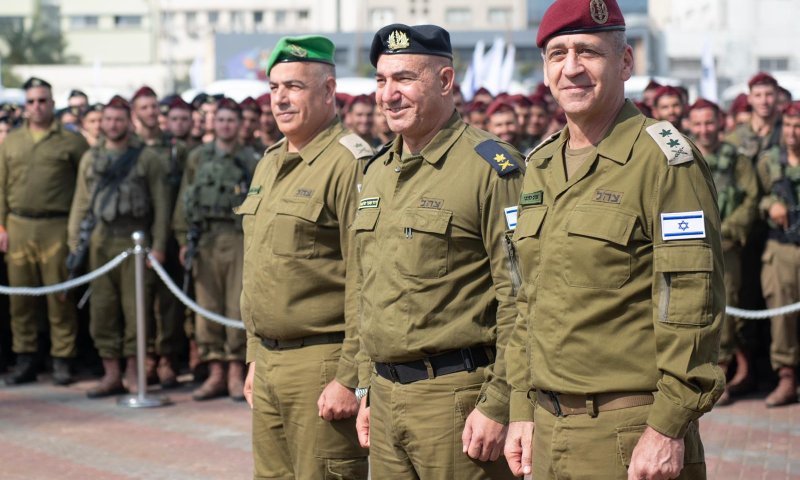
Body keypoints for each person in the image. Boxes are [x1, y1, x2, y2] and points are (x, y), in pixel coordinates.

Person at [503, 1, 725, 479]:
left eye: (588, 51)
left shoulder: (664, 161)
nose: (572, 68)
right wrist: (521, 404)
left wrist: (667, 429)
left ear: (625, 62)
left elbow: (691, 303)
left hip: (631, 434)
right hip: (547, 428)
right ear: (544, 71)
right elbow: (528, 300)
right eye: (557, 53)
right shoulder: (540, 164)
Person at [353, 24, 523, 479]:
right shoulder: (377, 171)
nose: (388, 95)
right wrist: (366, 387)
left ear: (445, 81)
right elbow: (370, 292)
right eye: (381, 80)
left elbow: (522, 298)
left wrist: (500, 403)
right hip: (386, 400)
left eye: (404, 79)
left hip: (457, 401)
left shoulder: (491, 168)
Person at [237, 35, 372, 479]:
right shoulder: (270, 160)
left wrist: (350, 376)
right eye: (274, 88)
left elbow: (365, 278)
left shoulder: (350, 163)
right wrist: (256, 354)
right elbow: (260, 268)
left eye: (294, 86)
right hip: (270, 361)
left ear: (329, 91)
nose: (280, 99)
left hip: (322, 362)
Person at [67, 95, 171, 398]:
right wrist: (75, 243)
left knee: (136, 311)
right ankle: (110, 373)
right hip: (100, 241)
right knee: (102, 311)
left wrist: (160, 246)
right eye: (108, 119)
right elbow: (81, 203)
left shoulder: (146, 158)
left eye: (118, 119)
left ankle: (133, 374)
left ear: (129, 122)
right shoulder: (91, 157)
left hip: (134, 240)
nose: (113, 125)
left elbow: (162, 207)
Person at [0, 77, 89, 386]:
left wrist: (76, 233)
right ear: (25, 106)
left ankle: (63, 358)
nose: (37, 107)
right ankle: (25, 358)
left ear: (52, 103)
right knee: (20, 299)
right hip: (18, 225)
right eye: (31, 102)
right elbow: (1, 186)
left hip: (57, 226)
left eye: (42, 101)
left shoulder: (72, 142)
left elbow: (84, 187)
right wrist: (1, 225)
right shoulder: (12, 140)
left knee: (59, 296)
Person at [173, 98, 258, 402]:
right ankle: (215, 372)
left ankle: (236, 371)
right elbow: (185, 198)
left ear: (238, 125)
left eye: (230, 121)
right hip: (206, 238)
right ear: (213, 123)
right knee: (207, 307)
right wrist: (184, 239)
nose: (225, 125)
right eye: (220, 120)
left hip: (237, 238)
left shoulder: (251, 158)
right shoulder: (198, 157)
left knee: (236, 306)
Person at [687, 99, 759, 405]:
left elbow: (751, 199)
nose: (704, 130)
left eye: (709, 122)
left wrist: (726, 229)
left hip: (725, 246)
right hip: (687, 244)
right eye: (698, 124)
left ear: (721, 123)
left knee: (726, 309)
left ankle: (723, 372)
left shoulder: (737, 159)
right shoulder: (681, 154)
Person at [754, 101, 800, 407]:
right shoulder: (769, 160)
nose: (792, 133)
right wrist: (770, 204)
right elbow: (753, 197)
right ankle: (786, 377)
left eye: (798, 126)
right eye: (788, 126)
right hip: (781, 246)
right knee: (782, 314)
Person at [727, 72, 782, 160]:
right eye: (758, 95)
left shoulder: (788, 132)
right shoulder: (736, 136)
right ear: (749, 98)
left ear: (777, 96)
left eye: (769, 95)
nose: (764, 101)